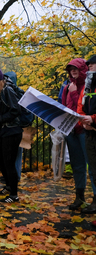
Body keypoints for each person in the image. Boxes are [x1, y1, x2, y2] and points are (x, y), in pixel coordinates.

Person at [61, 58, 96, 212]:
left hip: (84, 130)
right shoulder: (67, 86)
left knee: (92, 167)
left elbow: (80, 107)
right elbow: (63, 107)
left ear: (82, 69)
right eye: (70, 69)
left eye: (75, 68)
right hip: (71, 130)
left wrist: (74, 93)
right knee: (77, 165)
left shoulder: (87, 85)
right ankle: (79, 196)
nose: (73, 71)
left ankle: (95, 198)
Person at [0, 66, 23, 203]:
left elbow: (15, 110)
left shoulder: (7, 90)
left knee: (9, 162)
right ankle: (8, 186)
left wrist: (0, 119)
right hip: (2, 130)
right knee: (0, 160)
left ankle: (14, 194)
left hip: (12, 131)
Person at [77, 55, 96, 215]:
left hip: (92, 129)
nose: (90, 67)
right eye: (88, 65)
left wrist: (93, 119)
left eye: (92, 64)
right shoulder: (87, 86)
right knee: (94, 170)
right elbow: (80, 107)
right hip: (88, 133)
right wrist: (84, 121)